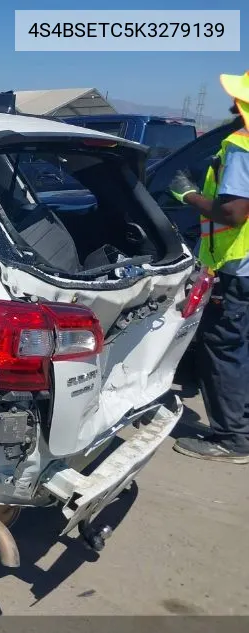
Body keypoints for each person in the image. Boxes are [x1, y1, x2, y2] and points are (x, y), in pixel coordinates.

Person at [168, 71, 249, 463]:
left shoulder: (241, 145)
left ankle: (231, 439)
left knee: (224, 352)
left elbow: (232, 214)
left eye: (238, 100)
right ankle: (242, 422)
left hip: (235, 268)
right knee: (241, 350)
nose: (231, 105)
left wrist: (187, 194)